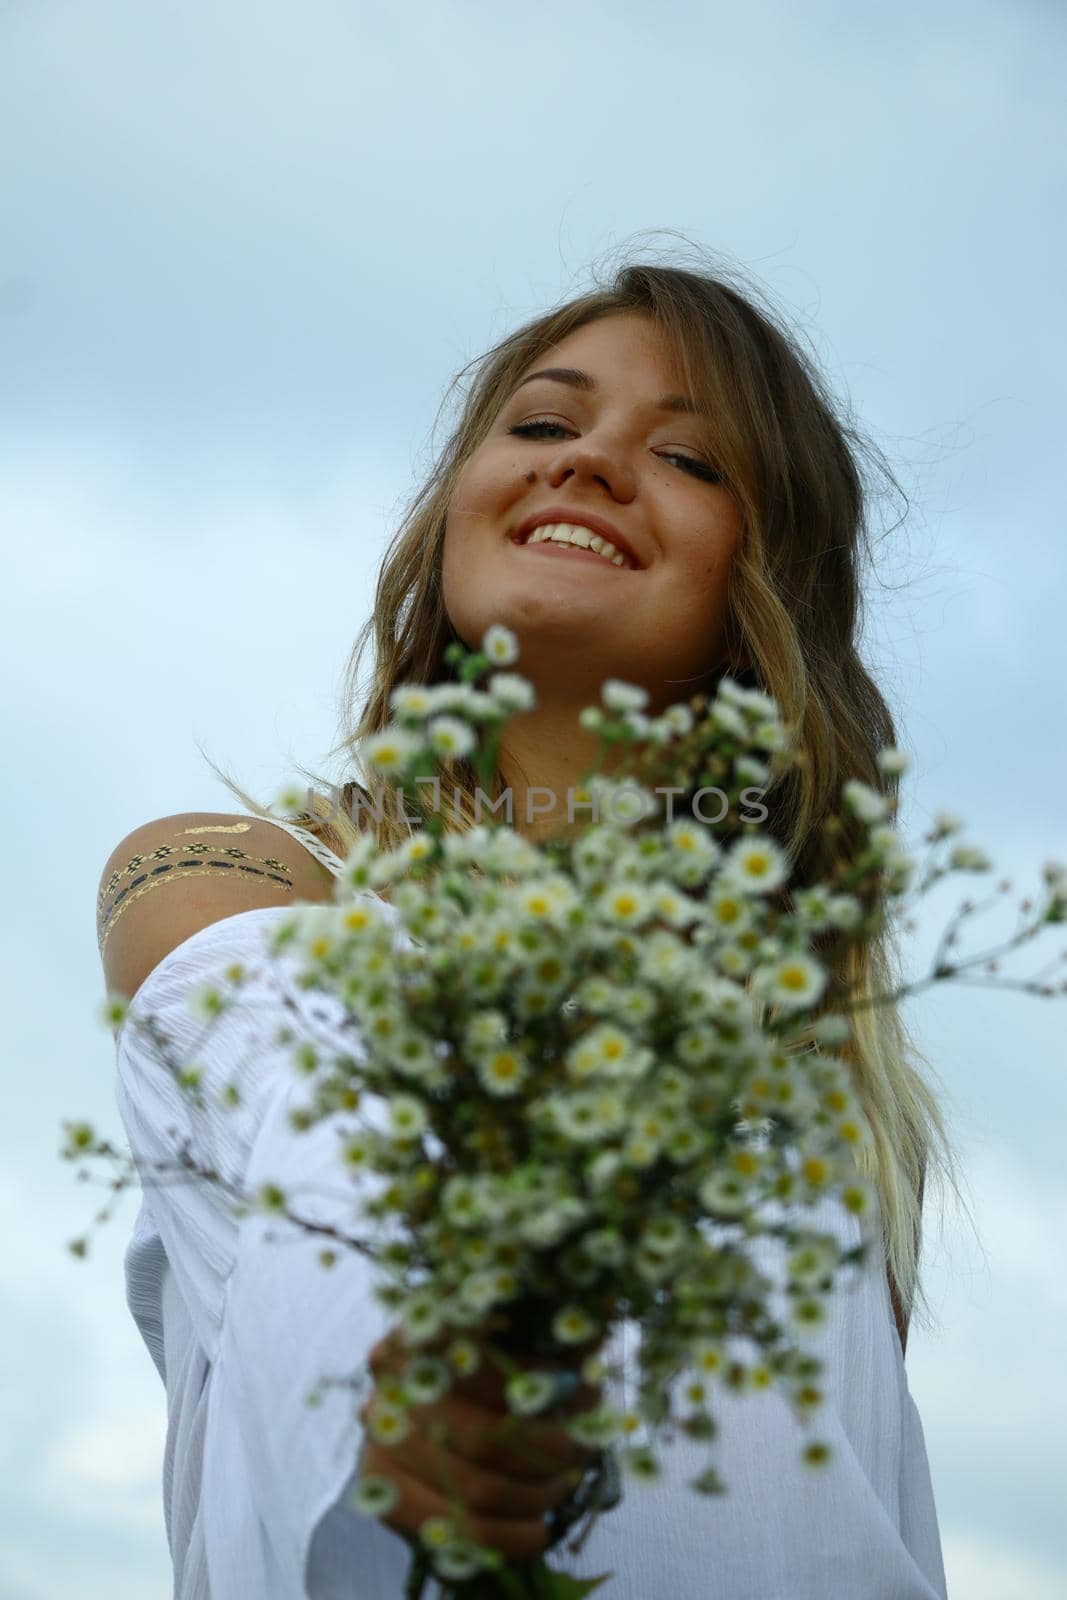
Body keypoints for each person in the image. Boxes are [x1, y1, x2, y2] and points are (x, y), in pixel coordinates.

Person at [99, 256, 963, 1597]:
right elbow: (304, 1120)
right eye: (545, 425)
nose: (592, 464)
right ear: (458, 504)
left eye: (688, 456)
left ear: (767, 581)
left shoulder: (823, 1083)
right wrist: (415, 1389)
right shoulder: (234, 881)